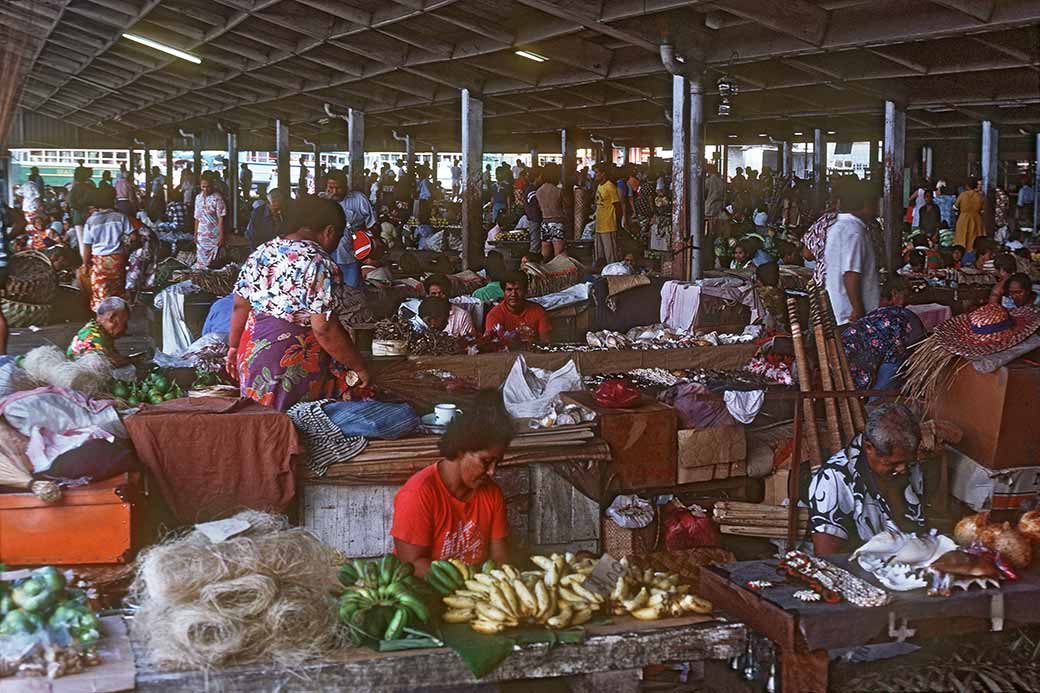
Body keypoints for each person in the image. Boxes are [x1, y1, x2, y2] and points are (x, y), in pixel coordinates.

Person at [228, 195, 370, 411]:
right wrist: (359, 367)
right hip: (286, 359)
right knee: (290, 426)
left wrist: (233, 347)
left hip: (251, 352)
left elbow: (240, 305)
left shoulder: (262, 251)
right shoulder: (319, 261)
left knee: (258, 424)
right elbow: (324, 328)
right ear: (329, 231)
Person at [391, 391, 513, 573]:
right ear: (461, 450)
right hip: (425, 590)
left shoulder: (492, 493)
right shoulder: (418, 495)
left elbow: (500, 558)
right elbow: (412, 564)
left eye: (498, 463)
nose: (492, 471)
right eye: (486, 462)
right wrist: (466, 586)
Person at [809, 402, 925, 555]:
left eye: (907, 461)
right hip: (860, 570)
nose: (903, 469)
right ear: (869, 448)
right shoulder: (833, 480)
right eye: (893, 463)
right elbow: (828, 556)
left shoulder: (907, 463)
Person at [823, 179, 880, 325]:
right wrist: (857, 309)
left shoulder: (839, 227)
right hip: (850, 316)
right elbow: (850, 273)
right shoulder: (854, 231)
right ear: (866, 203)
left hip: (839, 310)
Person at [82, 186, 133, 311]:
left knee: (101, 294)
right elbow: (133, 237)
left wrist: (85, 264)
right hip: (117, 260)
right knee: (117, 292)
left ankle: (104, 323)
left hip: (100, 263)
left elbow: (87, 246)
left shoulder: (91, 221)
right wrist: (125, 247)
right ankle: (118, 322)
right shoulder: (120, 217)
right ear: (113, 199)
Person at [324, 170, 375, 289]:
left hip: (350, 255)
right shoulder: (321, 202)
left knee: (352, 290)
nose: (335, 191)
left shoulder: (358, 199)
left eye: (339, 188)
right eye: (331, 188)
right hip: (327, 256)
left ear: (346, 186)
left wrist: (369, 252)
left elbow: (372, 225)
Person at [483, 273, 551, 343]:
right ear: (504, 292)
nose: (513, 294)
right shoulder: (494, 315)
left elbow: (545, 341)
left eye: (518, 289)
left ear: (525, 291)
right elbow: (491, 345)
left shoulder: (538, 311)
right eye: (509, 290)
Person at [67, 296, 131, 367]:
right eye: (124, 322)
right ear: (112, 318)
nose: (126, 328)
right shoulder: (96, 340)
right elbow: (115, 362)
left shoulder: (93, 327)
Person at [193, 172, 226, 269]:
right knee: (201, 263)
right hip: (201, 235)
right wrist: (195, 233)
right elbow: (197, 217)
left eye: (208, 187)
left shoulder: (217, 198)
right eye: (203, 187)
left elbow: (221, 218)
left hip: (213, 236)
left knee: (213, 263)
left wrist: (221, 236)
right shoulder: (198, 198)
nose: (205, 189)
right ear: (200, 186)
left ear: (212, 186)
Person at [593, 164, 621, 264]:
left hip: (608, 224)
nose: (595, 175)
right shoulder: (599, 186)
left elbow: (617, 205)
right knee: (600, 254)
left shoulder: (610, 186)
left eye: (597, 172)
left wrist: (617, 222)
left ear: (603, 173)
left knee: (610, 254)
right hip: (599, 224)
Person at [954, 176, 985, 249]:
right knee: (974, 240)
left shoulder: (962, 195)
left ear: (966, 185)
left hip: (963, 219)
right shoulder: (980, 196)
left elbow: (955, 207)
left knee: (962, 240)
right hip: (976, 220)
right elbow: (982, 210)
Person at [523, 167, 543, 255]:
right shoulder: (532, 191)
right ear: (537, 177)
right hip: (535, 220)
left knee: (536, 243)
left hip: (534, 219)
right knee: (535, 245)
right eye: (541, 177)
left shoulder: (531, 189)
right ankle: (532, 264)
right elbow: (536, 206)